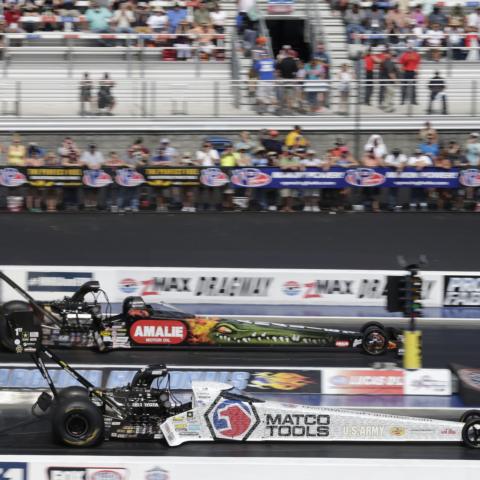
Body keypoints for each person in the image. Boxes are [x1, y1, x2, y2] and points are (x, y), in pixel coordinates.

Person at [81, 144, 105, 209]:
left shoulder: (99, 153)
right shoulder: (86, 153)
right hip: (87, 174)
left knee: (95, 190)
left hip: (96, 174)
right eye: (91, 147)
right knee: (87, 189)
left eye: (93, 147)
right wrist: (88, 164)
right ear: (89, 148)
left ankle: (94, 203)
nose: (92, 149)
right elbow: (82, 162)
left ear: (95, 148)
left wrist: (98, 165)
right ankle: (87, 203)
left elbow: (102, 162)